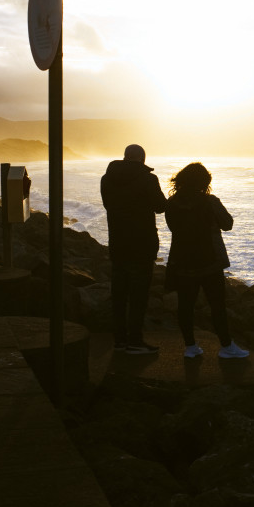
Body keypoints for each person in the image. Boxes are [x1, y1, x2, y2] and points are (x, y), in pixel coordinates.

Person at [165, 162, 248, 359]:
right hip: (210, 262)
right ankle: (226, 347)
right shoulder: (210, 202)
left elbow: (173, 228)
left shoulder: (172, 203)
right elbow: (227, 224)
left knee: (186, 306)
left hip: (182, 261)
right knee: (217, 305)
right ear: (203, 182)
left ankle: (190, 347)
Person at [100, 144, 166, 354]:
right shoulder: (148, 179)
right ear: (142, 158)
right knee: (138, 295)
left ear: (126, 157)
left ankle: (119, 340)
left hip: (118, 242)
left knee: (119, 293)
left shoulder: (106, 178)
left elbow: (108, 205)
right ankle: (135, 342)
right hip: (142, 243)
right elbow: (160, 206)